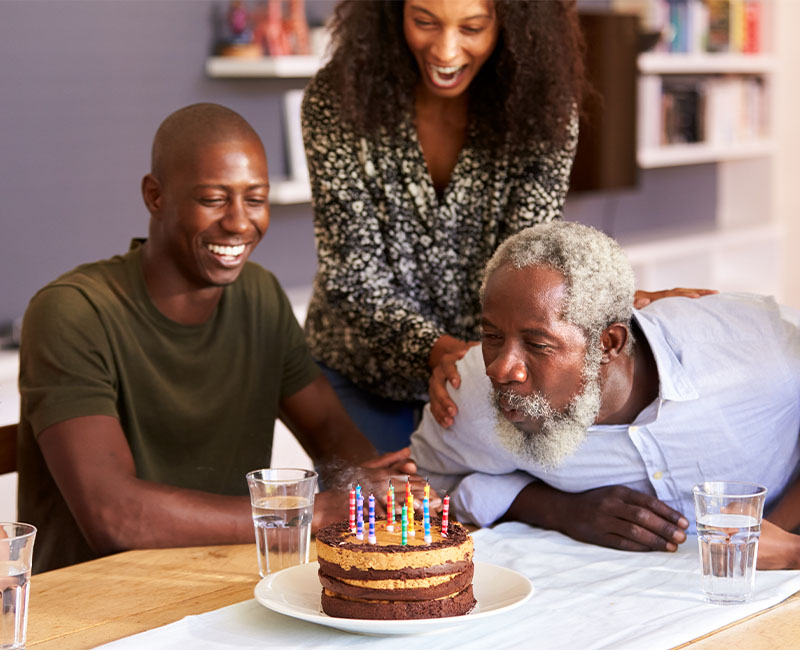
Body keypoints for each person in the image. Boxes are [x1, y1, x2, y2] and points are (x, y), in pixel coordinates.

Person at [17, 103, 415, 574]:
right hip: (93, 605)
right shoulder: (72, 312)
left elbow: (329, 431)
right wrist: (309, 510)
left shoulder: (260, 294)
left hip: (227, 579)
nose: (239, 223)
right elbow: (114, 516)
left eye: (255, 198)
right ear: (155, 196)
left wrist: (379, 487)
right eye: (213, 199)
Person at [301, 0, 709, 453]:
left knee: (477, 515)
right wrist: (441, 352)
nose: (446, 50)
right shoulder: (339, 97)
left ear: (513, 24)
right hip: (361, 369)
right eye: (424, 22)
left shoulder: (544, 108)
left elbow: (529, 258)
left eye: (472, 27)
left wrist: (617, 307)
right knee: (375, 519)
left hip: (489, 371)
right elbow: (351, 275)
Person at [410, 221, 800, 570]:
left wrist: (782, 539)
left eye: (537, 344)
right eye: (493, 336)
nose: (501, 369)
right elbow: (423, 485)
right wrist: (556, 509)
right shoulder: (472, 391)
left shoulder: (761, 351)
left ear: (609, 343)